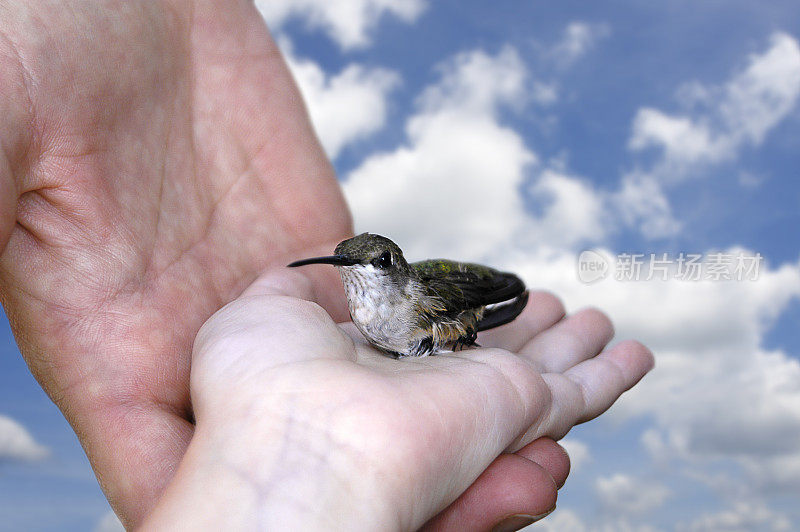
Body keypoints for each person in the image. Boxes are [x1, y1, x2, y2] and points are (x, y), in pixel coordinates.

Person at [0, 2, 654, 530]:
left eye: (368, 263)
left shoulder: (419, 294)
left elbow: (480, 305)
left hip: (444, 321)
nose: (354, 270)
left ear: (392, 265)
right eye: (348, 264)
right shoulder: (353, 302)